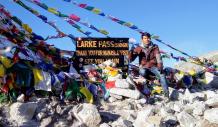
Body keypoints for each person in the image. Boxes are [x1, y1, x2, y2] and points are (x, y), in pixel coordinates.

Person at [129, 32, 169, 98]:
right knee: (142, 71)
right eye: (145, 38)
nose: (147, 39)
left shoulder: (155, 46)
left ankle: (166, 95)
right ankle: (153, 79)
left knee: (162, 75)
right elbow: (131, 59)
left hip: (154, 66)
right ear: (142, 39)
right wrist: (131, 51)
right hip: (144, 67)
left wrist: (160, 65)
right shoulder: (139, 48)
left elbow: (158, 56)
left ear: (150, 39)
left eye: (148, 38)